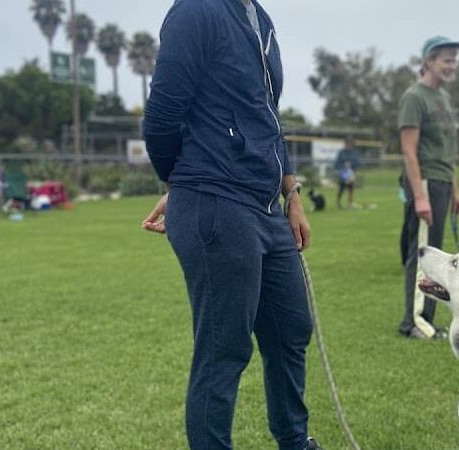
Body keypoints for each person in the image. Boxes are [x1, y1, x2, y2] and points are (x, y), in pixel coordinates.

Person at [139, 1, 322, 449]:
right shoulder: (196, 11)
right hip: (217, 202)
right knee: (224, 349)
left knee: (291, 328)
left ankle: (294, 441)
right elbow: (161, 118)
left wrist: (292, 193)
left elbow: (268, 118)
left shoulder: (260, 18)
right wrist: (185, 183)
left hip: (265, 207)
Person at [397, 36, 459, 340]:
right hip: (423, 182)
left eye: (453, 60)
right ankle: (414, 322)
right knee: (422, 253)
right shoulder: (415, 97)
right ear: (428, 61)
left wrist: (455, 189)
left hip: (443, 181)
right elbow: (409, 151)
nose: (451, 66)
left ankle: (427, 317)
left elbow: (448, 149)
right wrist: (420, 196)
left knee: (436, 254)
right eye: (445, 60)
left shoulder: (445, 99)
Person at [334, 137, 360, 209]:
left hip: (351, 174)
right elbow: (336, 163)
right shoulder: (341, 153)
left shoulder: (354, 153)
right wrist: (343, 165)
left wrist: (351, 164)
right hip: (343, 174)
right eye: (347, 143)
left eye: (350, 144)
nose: (348, 145)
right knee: (341, 189)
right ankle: (339, 203)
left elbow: (357, 163)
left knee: (351, 188)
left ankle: (350, 203)